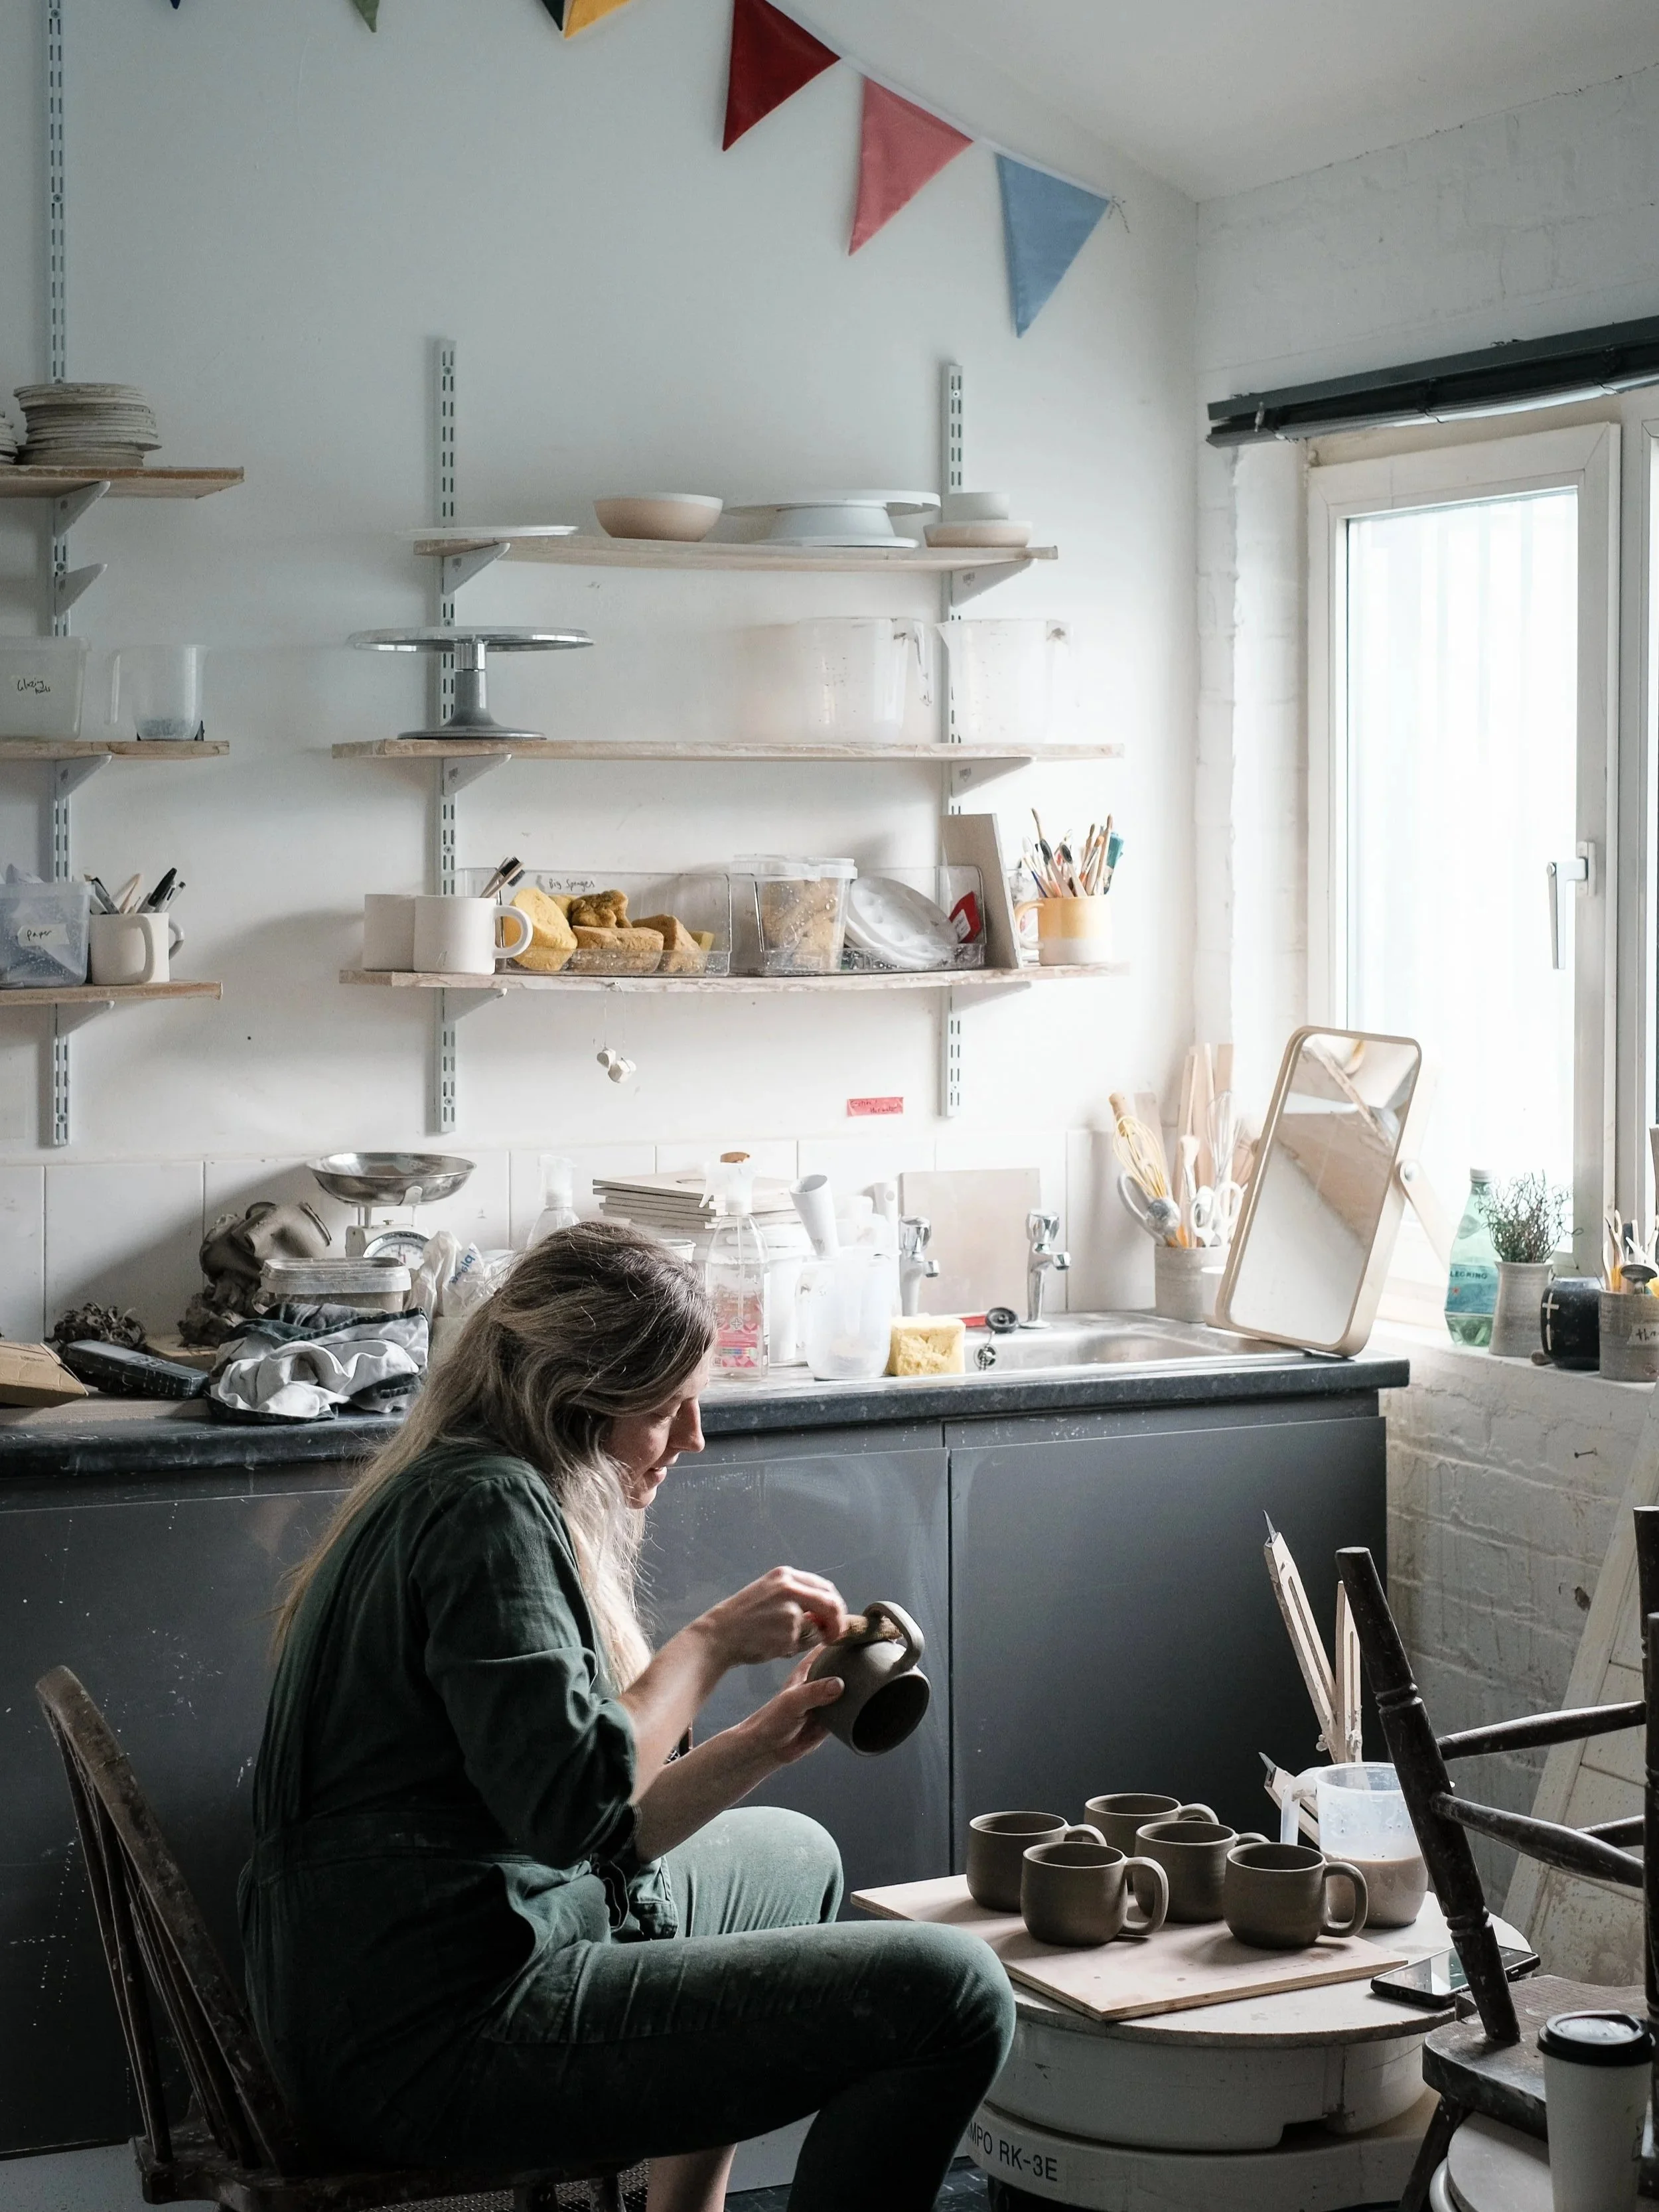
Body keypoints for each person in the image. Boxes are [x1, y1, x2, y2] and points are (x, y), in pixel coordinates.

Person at [240, 1220, 1013, 2212]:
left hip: (427, 1957)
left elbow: (584, 1827)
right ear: (576, 1402)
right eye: (670, 1409)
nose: (693, 1439)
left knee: (797, 1855)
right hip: (429, 2036)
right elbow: (572, 1810)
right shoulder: (487, 1510)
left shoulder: (475, 1481)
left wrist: (759, 1745)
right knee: (955, 1992)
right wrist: (711, 1644)